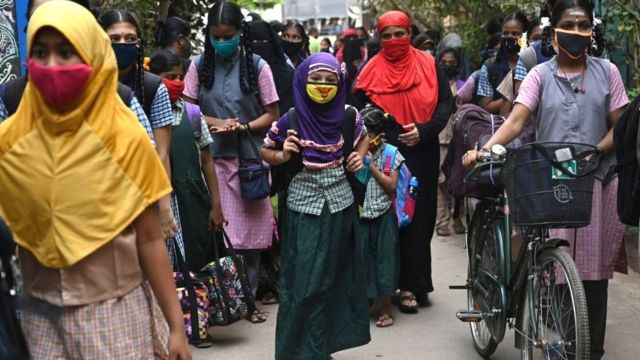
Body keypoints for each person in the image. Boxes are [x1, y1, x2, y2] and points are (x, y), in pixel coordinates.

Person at [0, 2, 190, 358]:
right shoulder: (10, 142)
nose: (52, 65)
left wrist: (175, 325)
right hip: (40, 323)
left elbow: (149, 239)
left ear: (91, 55)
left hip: (114, 317)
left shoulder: (123, 138)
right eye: (41, 52)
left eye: (66, 52)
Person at [462, 1, 630, 358]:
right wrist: (485, 148)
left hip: (596, 179)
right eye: (569, 24)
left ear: (592, 31)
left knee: (594, 273)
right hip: (551, 180)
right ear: (554, 33)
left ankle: (588, 348)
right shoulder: (539, 74)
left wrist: (596, 151)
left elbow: (623, 125)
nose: (577, 31)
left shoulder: (608, 71)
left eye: (584, 25)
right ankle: (555, 337)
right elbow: (516, 119)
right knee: (550, 265)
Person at [262, 52, 370, 360]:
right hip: (303, 212)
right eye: (315, 79)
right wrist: (282, 155)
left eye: (329, 80)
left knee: (336, 281)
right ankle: (298, 350)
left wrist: (359, 156)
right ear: (301, 80)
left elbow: (364, 138)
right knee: (305, 283)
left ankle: (321, 348)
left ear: (340, 82)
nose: (322, 86)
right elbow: (265, 151)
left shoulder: (349, 115)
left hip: (341, 211)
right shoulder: (291, 119)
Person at [182, 1, 278, 324]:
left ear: (240, 33)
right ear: (208, 35)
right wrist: (213, 122)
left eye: (228, 35)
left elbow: (272, 114)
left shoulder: (259, 66)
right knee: (221, 236)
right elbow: (187, 108)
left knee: (249, 240)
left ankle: (248, 301)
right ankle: (222, 302)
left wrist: (245, 126)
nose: (222, 40)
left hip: (249, 160)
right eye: (216, 35)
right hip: (211, 161)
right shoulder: (197, 66)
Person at [353, 11, 454, 313]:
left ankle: (413, 285)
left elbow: (445, 103)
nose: (394, 40)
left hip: (421, 150)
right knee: (384, 219)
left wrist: (423, 131)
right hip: (383, 152)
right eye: (387, 35)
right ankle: (385, 284)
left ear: (410, 34)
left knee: (418, 218)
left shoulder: (429, 63)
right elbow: (359, 111)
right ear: (379, 38)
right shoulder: (369, 70)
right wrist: (387, 134)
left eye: (400, 34)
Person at [99, 10, 180, 263]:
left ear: (139, 43)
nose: (122, 44)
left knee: (156, 268)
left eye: (129, 38)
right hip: (102, 195)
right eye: (114, 39)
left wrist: (164, 207)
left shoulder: (153, 87)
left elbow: (162, 153)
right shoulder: (89, 85)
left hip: (150, 195)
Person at [149, 50, 225, 272]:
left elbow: (207, 162)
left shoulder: (192, 114)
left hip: (195, 204)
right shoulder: (143, 114)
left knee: (200, 265)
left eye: (180, 77)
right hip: (164, 204)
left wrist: (216, 207)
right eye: (169, 77)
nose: (177, 83)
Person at [358, 106, 402, 328]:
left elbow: (391, 185)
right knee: (362, 260)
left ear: (379, 135)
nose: (364, 139)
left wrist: (370, 166)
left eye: (368, 135)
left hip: (384, 215)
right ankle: (362, 303)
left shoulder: (391, 153)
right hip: (362, 215)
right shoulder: (355, 150)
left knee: (385, 261)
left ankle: (386, 307)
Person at [436, 48, 466, 237]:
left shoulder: (463, 85)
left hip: (457, 140)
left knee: (457, 181)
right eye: (444, 62)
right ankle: (442, 221)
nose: (448, 65)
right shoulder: (435, 84)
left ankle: (457, 218)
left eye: (451, 62)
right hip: (439, 138)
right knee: (439, 181)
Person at [476, 12, 529, 115]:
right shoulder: (490, 66)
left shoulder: (533, 63)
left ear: (525, 36)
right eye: (505, 33)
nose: (509, 37)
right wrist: (511, 95)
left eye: (515, 34)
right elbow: (486, 107)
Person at [248, 20, 295, 115]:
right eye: (253, 41)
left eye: (263, 41)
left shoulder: (286, 74)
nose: (258, 45)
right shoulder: (237, 71)